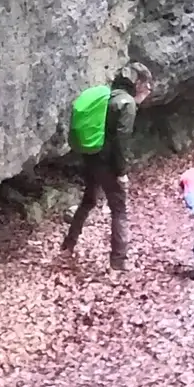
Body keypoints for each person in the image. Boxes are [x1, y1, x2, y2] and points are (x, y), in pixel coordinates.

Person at [62, 64, 150, 271]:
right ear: (138, 84)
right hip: (107, 163)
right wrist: (122, 173)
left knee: (88, 200)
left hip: (91, 156)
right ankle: (118, 263)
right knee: (119, 210)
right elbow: (121, 141)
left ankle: (68, 245)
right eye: (146, 86)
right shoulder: (126, 104)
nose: (147, 91)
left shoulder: (107, 96)